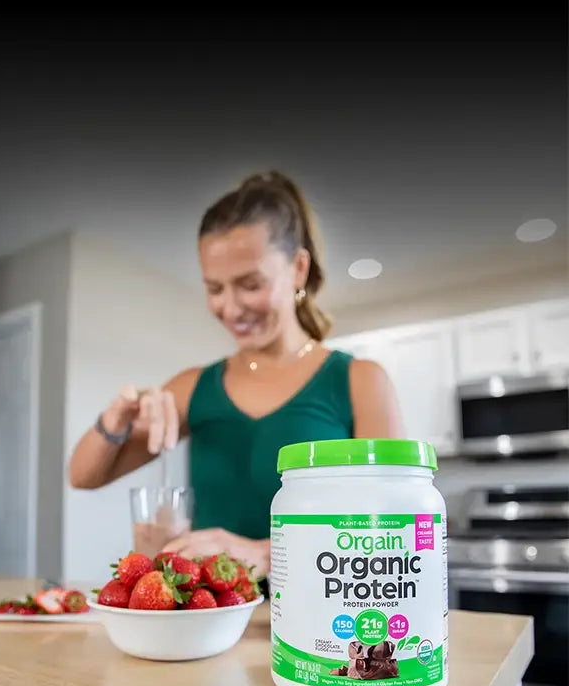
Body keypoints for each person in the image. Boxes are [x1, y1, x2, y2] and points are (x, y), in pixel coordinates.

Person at [68, 170, 402, 580]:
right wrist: (117, 417)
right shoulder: (195, 387)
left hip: (325, 623)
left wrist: (266, 553)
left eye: (249, 284)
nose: (230, 308)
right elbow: (83, 476)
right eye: (214, 288)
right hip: (209, 623)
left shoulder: (359, 381)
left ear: (298, 269)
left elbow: (393, 526)